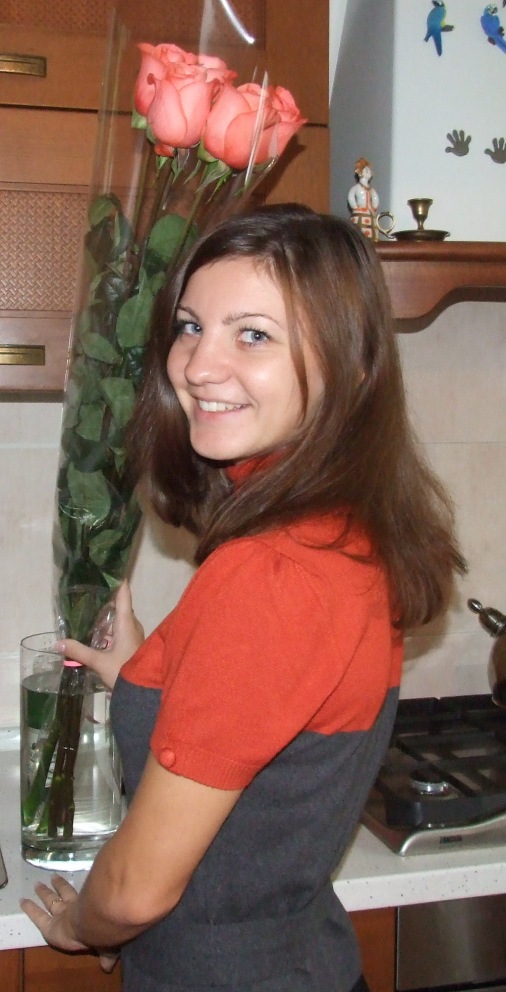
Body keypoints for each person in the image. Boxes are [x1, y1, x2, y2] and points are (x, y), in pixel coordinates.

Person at [21, 204, 466, 992]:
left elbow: (135, 892)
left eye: (253, 335)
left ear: (351, 365)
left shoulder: (272, 572)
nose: (197, 366)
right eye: (190, 327)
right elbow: (271, 735)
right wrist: (146, 677)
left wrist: (85, 922)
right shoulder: (341, 533)